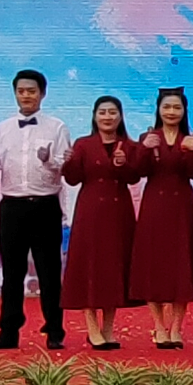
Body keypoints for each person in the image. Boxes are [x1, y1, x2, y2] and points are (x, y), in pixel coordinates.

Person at [0, 69, 71, 351]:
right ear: (15, 94)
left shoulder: (57, 127)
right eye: (21, 91)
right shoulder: (1, 129)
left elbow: (65, 166)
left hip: (45, 205)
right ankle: (8, 332)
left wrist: (48, 160)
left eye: (31, 91)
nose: (26, 96)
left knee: (49, 272)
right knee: (12, 273)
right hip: (12, 207)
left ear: (42, 94)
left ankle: (55, 331)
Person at [129, 87, 193, 349]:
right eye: (167, 107)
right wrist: (144, 149)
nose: (172, 112)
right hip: (154, 205)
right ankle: (158, 326)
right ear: (158, 110)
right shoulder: (147, 137)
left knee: (180, 264)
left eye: (177, 107)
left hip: (181, 206)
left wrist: (192, 152)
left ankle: (176, 327)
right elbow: (137, 171)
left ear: (184, 111)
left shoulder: (190, 139)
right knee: (153, 265)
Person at [60, 96, 142, 350]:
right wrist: (68, 162)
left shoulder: (129, 145)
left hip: (119, 212)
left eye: (112, 112)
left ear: (120, 116)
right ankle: (91, 327)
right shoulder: (83, 144)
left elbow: (134, 176)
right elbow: (73, 179)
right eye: (102, 112)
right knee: (89, 266)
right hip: (91, 211)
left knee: (112, 268)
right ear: (95, 116)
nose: (108, 117)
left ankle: (108, 327)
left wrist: (123, 165)